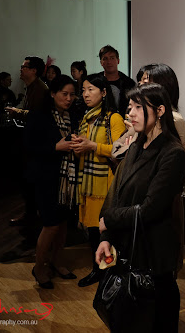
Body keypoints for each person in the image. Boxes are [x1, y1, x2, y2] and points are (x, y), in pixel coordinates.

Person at [96, 83, 185, 331]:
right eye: (130, 107)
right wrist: (106, 236)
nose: (131, 113)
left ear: (159, 110)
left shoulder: (172, 153)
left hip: (154, 256)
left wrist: (110, 220)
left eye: (138, 107)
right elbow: (118, 194)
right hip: (127, 250)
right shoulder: (137, 144)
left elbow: (150, 209)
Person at [24, 75, 79, 289]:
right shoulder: (40, 115)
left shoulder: (72, 115)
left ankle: (57, 261)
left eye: (72, 94)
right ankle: (39, 266)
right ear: (53, 93)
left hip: (67, 178)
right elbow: (29, 147)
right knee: (51, 224)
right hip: (45, 176)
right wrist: (55, 148)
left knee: (63, 223)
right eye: (64, 94)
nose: (68, 98)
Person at [73, 75, 125, 287]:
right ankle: (99, 270)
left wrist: (92, 146)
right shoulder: (87, 117)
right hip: (87, 182)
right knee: (93, 231)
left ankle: (108, 274)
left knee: (105, 230)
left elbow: (120, 151)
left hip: (105, 183)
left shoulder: (113, 118)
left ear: (103, 93)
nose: (85, 94)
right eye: (83, 90)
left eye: (91, 89)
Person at [7, 56, 50, 227]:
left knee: (32, 181)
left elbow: (36, 116)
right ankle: (31, 214)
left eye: (24, 66)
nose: (21, 69)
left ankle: (35, 216)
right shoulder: (32, 87)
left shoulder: (39, 89)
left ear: (34, 70)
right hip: (31, 140)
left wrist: (16, 112)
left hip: (37, 142)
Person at [136, 63, 185, 151]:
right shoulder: (140, 115)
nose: (140, 86)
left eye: (145, 83)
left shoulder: (174, 119)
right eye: (140, 82)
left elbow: (179, 156)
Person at [87, 45, 136, 116]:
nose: (109, 62)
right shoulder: (93, 81)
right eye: (105, 59)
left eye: (112, 58)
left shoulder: (129, 83)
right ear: (101, 62)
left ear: (118, 60)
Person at [70, 60, 88, 125]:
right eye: (71, 71)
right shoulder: (74, 84)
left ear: (81, 72)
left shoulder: (87, 83)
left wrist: (75, 98)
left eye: (74, 71)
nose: (72, 73)